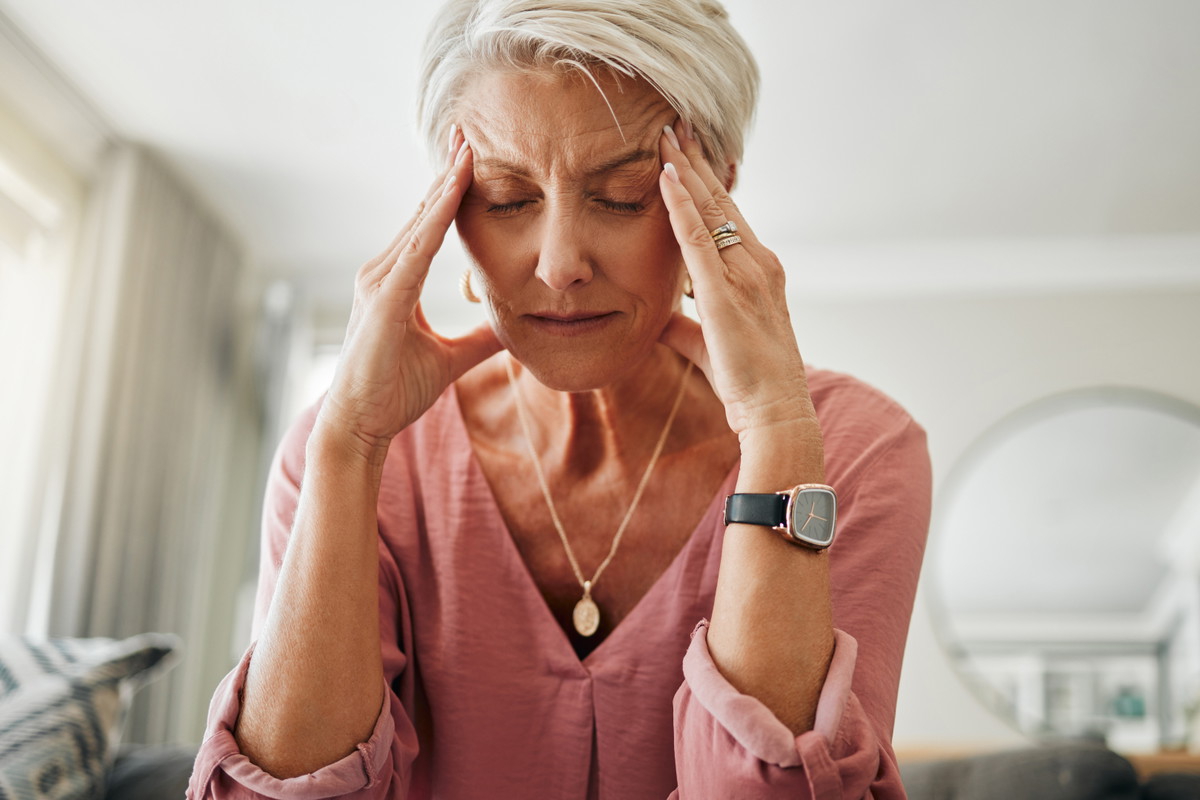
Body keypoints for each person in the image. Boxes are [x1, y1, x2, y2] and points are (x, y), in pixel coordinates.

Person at [188, 0, 931, 797]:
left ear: (719, 195)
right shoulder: (354, 454)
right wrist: (347, 447)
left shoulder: (857, 446)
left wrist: (778, 430)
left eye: (621, 195)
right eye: (507, 197)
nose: (558, 264)